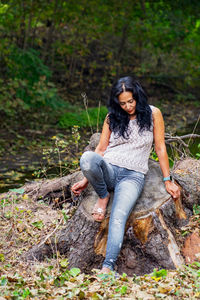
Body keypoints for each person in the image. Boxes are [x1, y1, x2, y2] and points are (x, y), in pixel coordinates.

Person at [71, 76, 180, 274]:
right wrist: (86, 180)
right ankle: (103, 196)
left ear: (138, 96)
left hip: (133, 177)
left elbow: (160, 147)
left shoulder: (153, 113)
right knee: (87, 158)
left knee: (118, 216)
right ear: (116, 103)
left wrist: (167, 180)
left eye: (131, 101)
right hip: (109, 169)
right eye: (123, 103)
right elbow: (101, 149)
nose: (128, 106)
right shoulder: (111, 117)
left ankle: (107, 267)